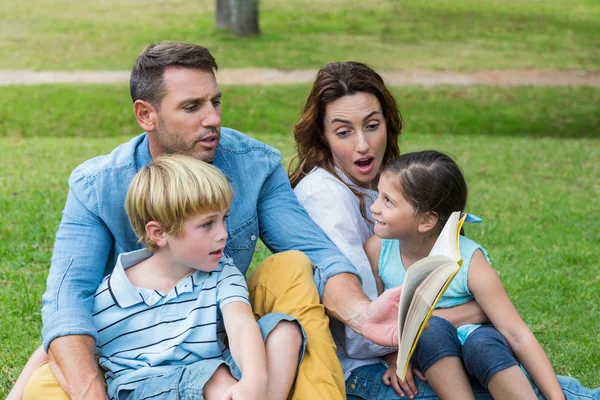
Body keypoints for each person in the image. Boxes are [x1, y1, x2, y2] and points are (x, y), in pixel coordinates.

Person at [9, 42, 403, 400]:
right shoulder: (97, 186)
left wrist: (361, 314)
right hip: (129, 352)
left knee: (293, 268)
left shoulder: (255, 164)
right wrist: (90, 390)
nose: (212, 118)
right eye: (192, 106)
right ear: (146, 114)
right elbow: (68, 301)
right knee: (47, 386)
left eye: (216, 101)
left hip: (220, 337)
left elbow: (318, 254)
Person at [289, 61, 599, 400]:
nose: (363, 145)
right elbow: (365, 331)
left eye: (372, 125)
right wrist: (473, 310)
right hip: (368, 370)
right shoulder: (326, 198)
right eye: (344, 131)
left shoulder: (384, 180)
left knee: (494, 358)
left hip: (430, 347)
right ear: (323, 134)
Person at [94, 154, 304, 400]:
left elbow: (240, 324)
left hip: (220, 380)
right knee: (214, 376)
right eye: (207, 224)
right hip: (150, 388)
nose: (223, 234)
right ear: (159, 233)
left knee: (285, 330)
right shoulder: (110, 295)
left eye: (224, 219)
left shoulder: (221, 272)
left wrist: (253, 379)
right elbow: (63, 344)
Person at [366, 150, 565, 400]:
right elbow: (377, 320)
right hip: (431, 351)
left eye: (388, 201)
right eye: (378, 196)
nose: (374, 207)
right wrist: (395, 360)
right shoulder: (378, 251)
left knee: (483, 345)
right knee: (432, 330)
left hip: (477, 341)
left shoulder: (469, 259)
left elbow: (517, 334)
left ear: (426, 221)